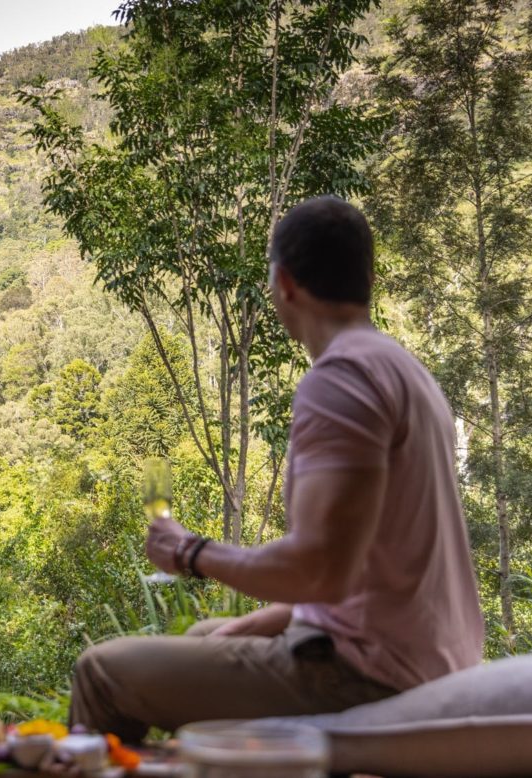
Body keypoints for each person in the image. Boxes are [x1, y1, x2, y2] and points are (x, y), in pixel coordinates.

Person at [69, 196, 485, 742]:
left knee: (101, 672)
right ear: (368, 277)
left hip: (370, 674)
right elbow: (364, 564)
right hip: (427, 653)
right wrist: (268, 618)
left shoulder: (340, 380)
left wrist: (189, 552)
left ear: (284, 283)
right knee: (205, 633)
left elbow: (320, 569)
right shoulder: (403, 370)